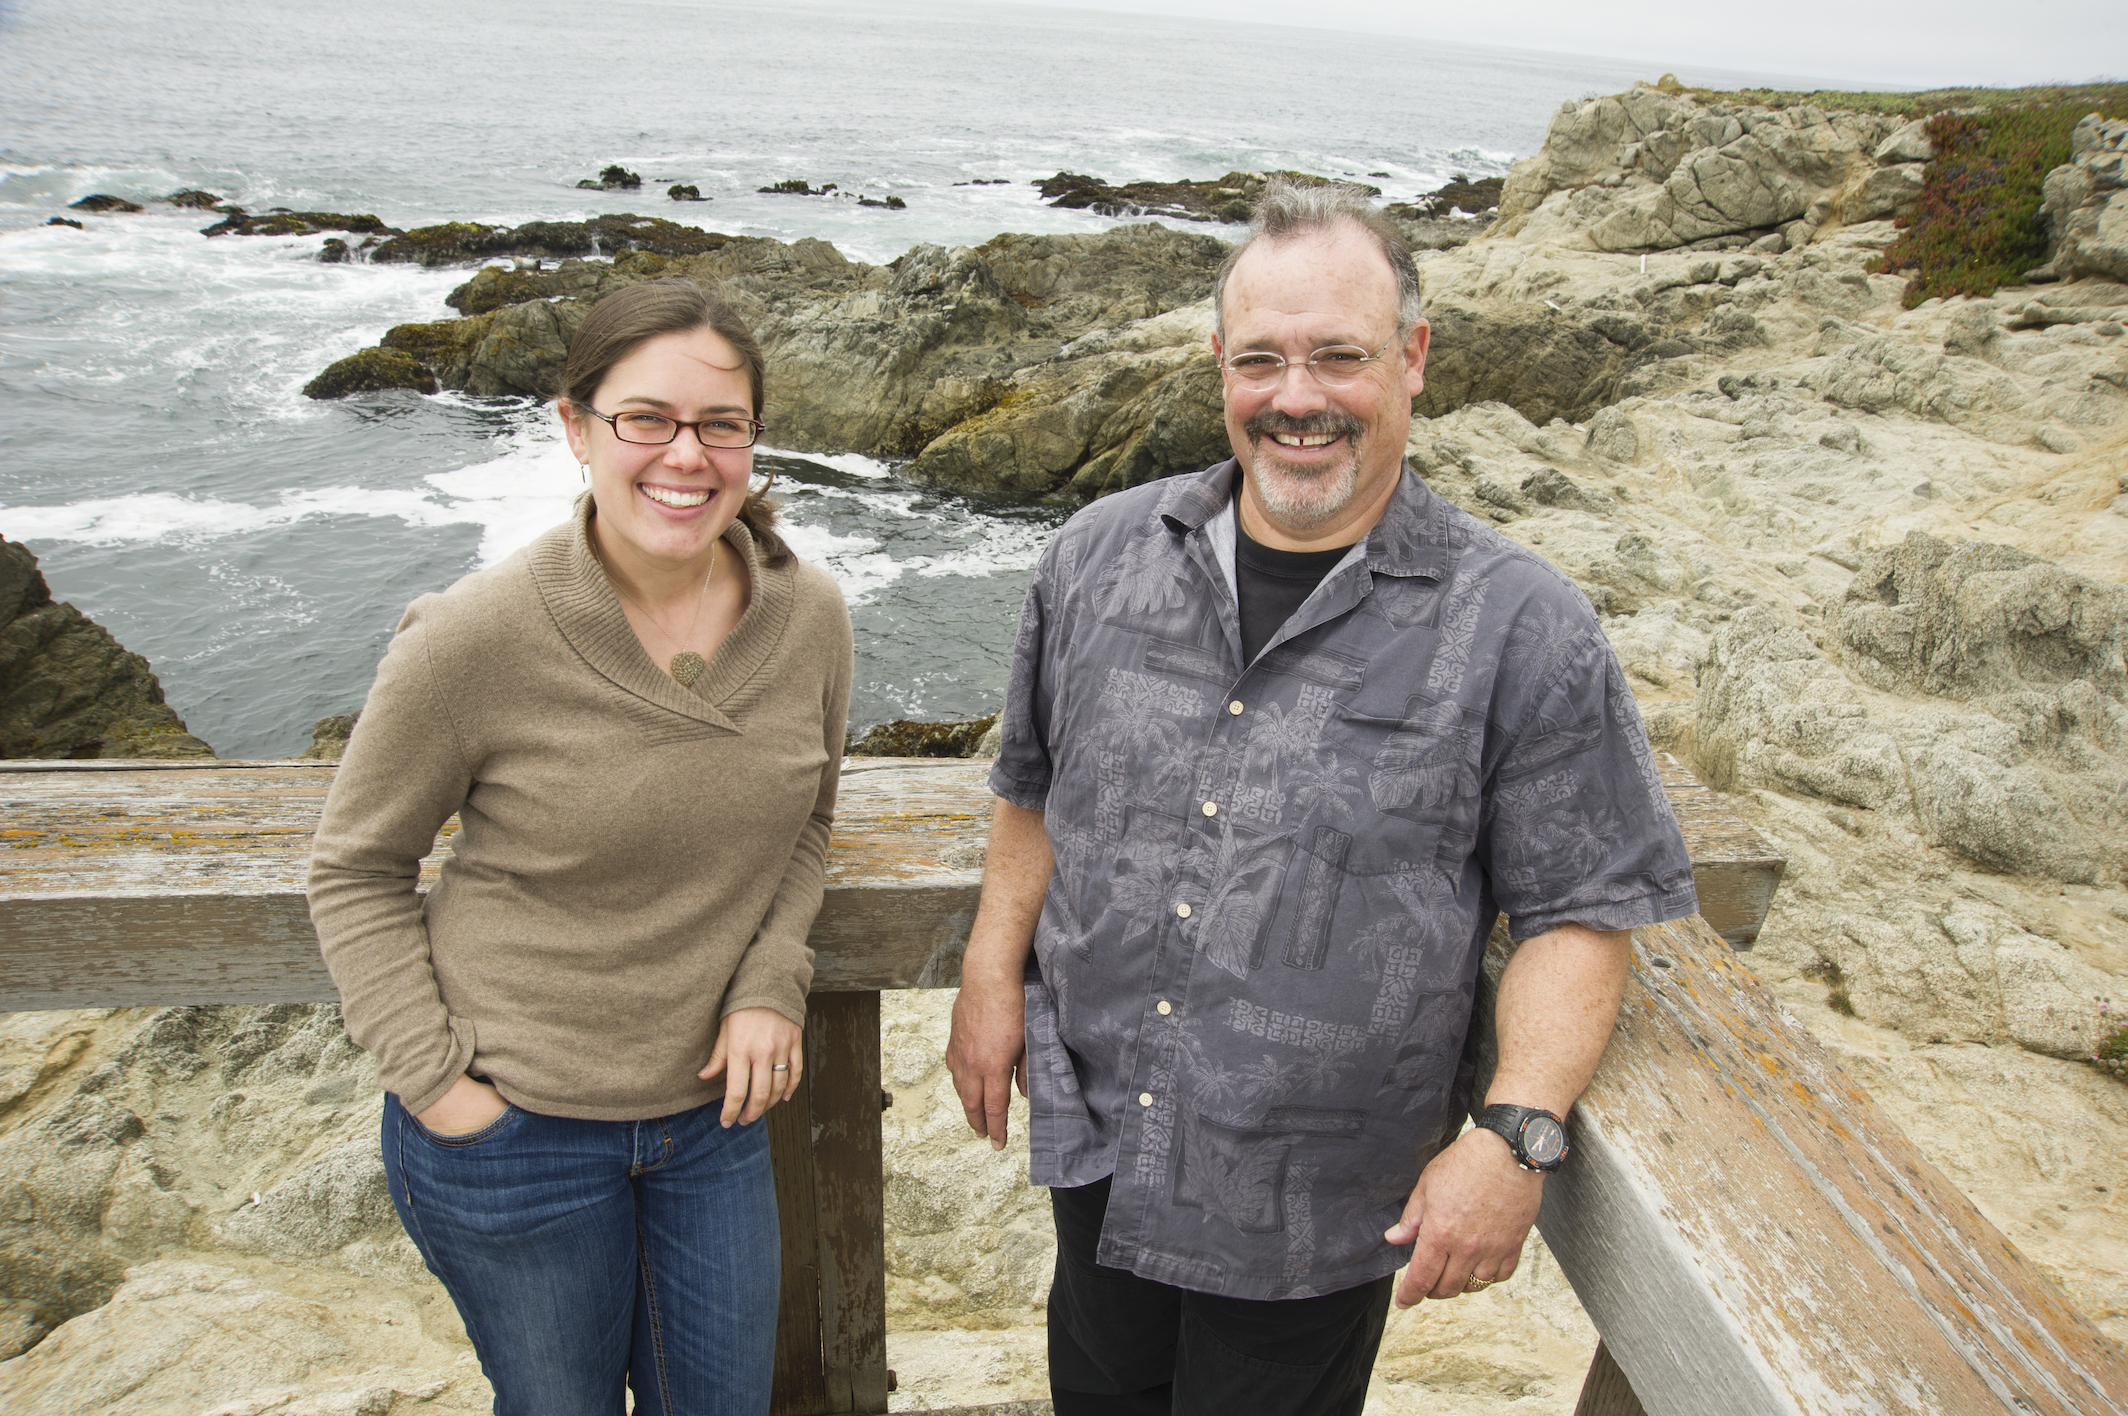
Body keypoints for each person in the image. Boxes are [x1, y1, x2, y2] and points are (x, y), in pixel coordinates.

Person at [945, 180, 1697, 1415]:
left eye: (1338, 357)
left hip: (1310, 1205)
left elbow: (1582, 908)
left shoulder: (1521, 624)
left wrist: (1514, 1135)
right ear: (1219, 368)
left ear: (1410, 358)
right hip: (1101, 1137)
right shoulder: (1095, 557)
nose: (1296, 398)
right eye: (1262, 361)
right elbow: (1031, 788)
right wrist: (988, 978)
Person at [308, 278, 853, 1416]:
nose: (686, 456)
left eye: (721, 424)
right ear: (575, 427)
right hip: (514, 1131)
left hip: (714, 1125)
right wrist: (442, 1087)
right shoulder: (472, 638)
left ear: (754, 439)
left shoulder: (810, 620)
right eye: (645, 418)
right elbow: (356, 868)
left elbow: (807, 819)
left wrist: (770, 980)